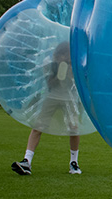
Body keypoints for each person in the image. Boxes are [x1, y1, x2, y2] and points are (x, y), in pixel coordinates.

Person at [11, 41, 82, 175]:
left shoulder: (75, 64)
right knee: (38, 127)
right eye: (62, 54)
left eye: (67, 54)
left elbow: (76, 82)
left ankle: (74, 163)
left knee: (74, 129)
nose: (65, 57)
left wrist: (69, 69)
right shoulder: (49, 63)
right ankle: (27, 161)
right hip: (52, 96)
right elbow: (50, 83)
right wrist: (59, 69)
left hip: (69, 98)